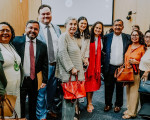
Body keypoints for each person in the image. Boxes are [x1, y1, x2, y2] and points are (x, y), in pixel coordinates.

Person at [12, 20, 48, 120]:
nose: (32, 30)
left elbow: (45, 64)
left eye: (35, 29)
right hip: (21, 79)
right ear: (25, 28)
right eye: (30, 28)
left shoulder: (43, 45)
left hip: (34, 80)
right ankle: (22, 117)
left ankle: (32, 117)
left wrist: (45, 80)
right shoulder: (16, 41)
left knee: (34, 101)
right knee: (21, 102)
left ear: (39, 31)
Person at [55, 17, 85, 120]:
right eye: (70, 24)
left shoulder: (72, 37)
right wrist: (71, 68)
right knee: (69, 100)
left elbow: (74, 53)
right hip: (69, 75)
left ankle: (70, 117)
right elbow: (62, 53)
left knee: (72, 99)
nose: (73, 26)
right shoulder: (64, 36)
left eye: (75, 24)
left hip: (75, 75)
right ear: (65, 26)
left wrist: (83, 60)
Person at [37, 4, 61, 118]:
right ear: (39, 15)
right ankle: (41, 115)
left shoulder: (56, 28)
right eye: (43, 14)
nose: (46, 16)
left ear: (51, 14)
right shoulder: (35, 28)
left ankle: (49, 109)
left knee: (52, 91)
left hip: (55, 65)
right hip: (43, 67)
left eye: (48, 13)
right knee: (41, 92)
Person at [104, 19, 130, 112]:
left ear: (122, 27)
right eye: (116, 25)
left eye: (119, 25)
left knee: (120, 88)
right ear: (112, 26)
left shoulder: (127, 37)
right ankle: (108, 104)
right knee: (108, 86)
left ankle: (118, 105)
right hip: (109, 66)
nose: (117, 27)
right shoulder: (106, 37)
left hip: (121, 68)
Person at [0, 22, 23, 118]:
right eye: (2, 30)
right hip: (5, 91)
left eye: (8, 30)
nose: (5, 32)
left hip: (15, 90)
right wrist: (1, 91)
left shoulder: (11, 46)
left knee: (15, 115)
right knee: (6, 116)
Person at [122, 30, 145, 119]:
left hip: (136, 73)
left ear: (140, 37)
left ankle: (132, 113)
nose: (134, 37)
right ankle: (129, 109)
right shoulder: (129, 46)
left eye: (136, 35)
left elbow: (145, 62)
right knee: (128, 92)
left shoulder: (142, 48)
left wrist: (137, 62)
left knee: (134, 93)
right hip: (127, 73)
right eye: (132, 35)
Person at [84, 21, 104, 113]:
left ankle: (89, 102)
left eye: (100, 28)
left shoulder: (101, 39)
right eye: (96, 28)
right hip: (88, 64)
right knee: (87, 85)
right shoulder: (88, 37)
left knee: (92, 85)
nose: (98, 29)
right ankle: (87, 103)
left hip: (96, 65)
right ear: (93, 28)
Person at [74, 16, 90, 104]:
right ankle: (74, 99)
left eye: (85, 24)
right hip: (75, 61)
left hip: (83, 61)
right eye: (82, 23)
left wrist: (86, 59)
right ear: (78, 24)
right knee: (74, 80)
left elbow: (87, 49)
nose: (83, 25)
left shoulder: (86, 35)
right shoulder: (74, 34)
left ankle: (79, 96)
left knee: (81, 80)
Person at [139, 30, 150, 106]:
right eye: (146, 37)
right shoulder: (147, 48)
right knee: (143, 95)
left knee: (147, 96)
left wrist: (147, 71)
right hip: (143, 74)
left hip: (148, 74)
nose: (148, 39)